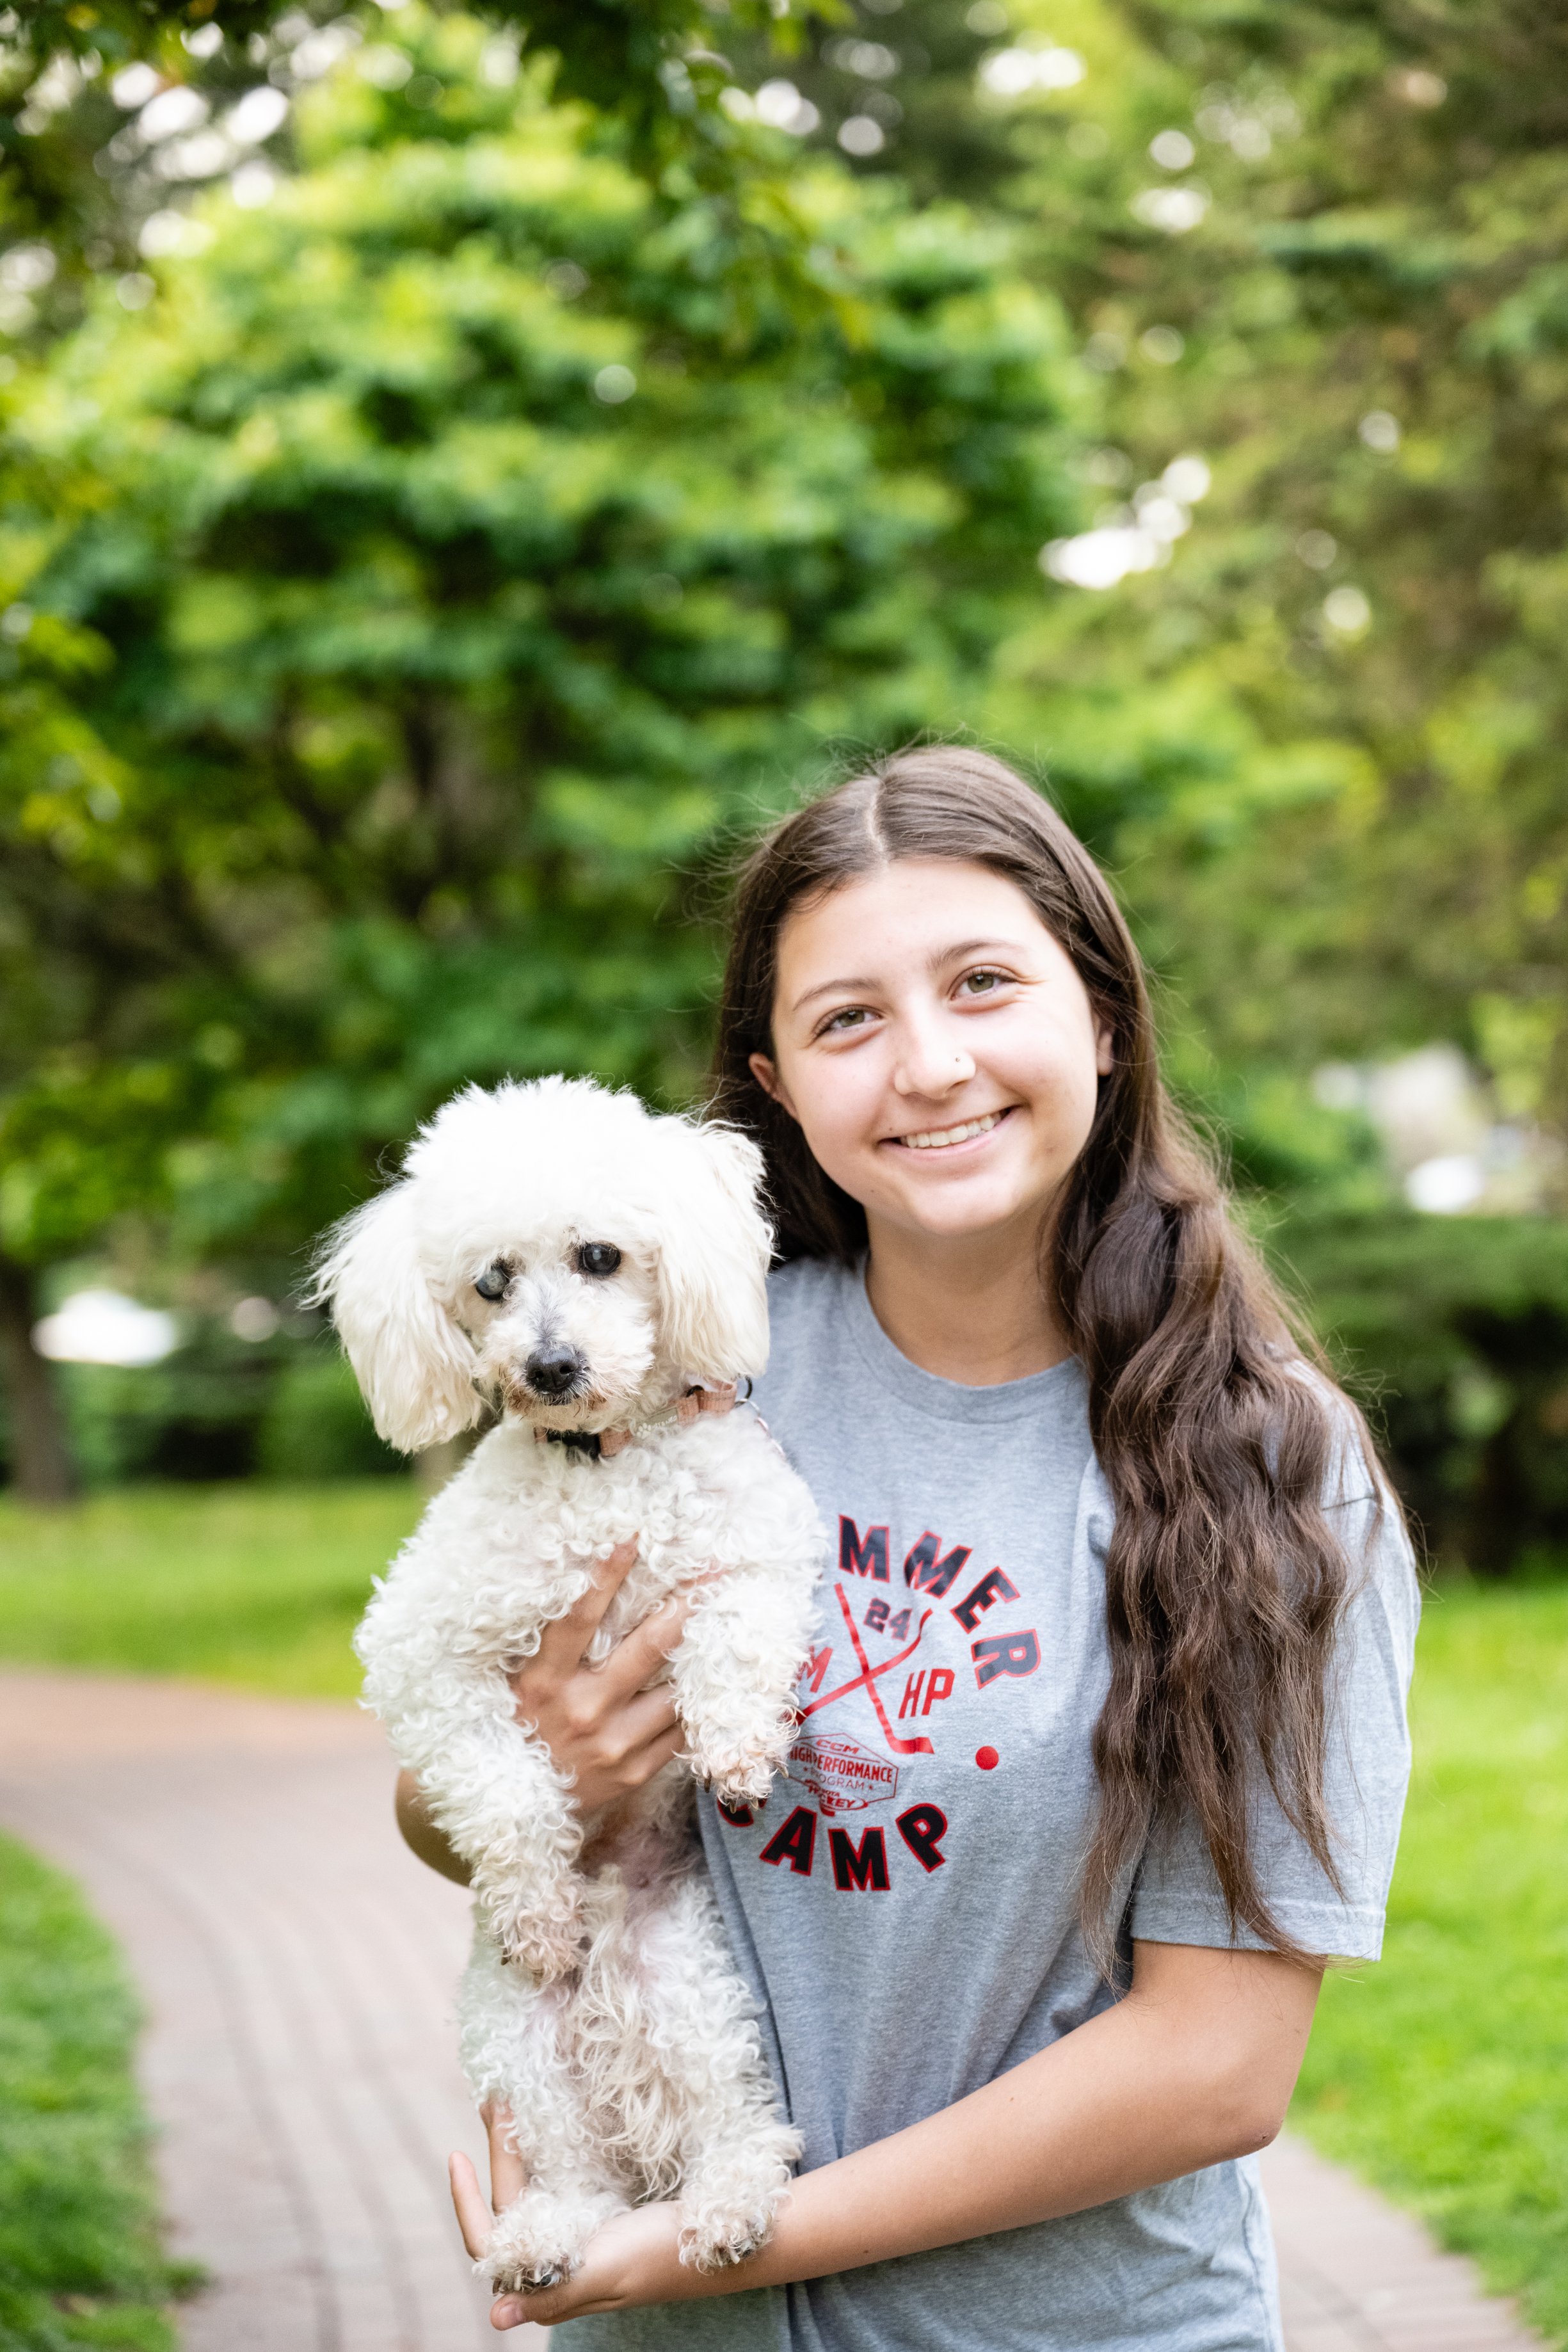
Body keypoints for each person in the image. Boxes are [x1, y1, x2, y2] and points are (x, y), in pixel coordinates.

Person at [399, 746, 1419, 2351]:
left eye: (983, 982)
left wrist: (714, 2245)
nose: (929, 1063)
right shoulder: (670, 1372)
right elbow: (448, 1781)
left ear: (1100, 1013)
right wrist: (544, 1779)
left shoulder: (1273, 1467)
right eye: (849, 1018)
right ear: (778, 1079)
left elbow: (1215, 2066)